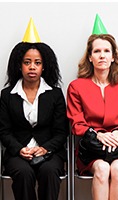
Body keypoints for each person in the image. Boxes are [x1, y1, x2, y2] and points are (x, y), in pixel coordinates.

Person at [67, 14, 118, 200]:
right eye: (97, 51)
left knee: (116, 169)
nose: (102, 56)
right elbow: (77, 124)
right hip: (91, 149)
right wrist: (98, 134)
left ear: (114, 56)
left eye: (107, 51)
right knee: (101, 168)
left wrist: (117, 134)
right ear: (90, 57)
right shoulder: (76, 87)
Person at [0, 18, 68, 200]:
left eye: (37, 63)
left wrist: (45, 148)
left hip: (49, 153)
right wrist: (19, 148)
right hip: (18, 153)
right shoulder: (7, 94)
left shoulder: (54, 94)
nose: (32, 67)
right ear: (19, 65)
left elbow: (61, 132)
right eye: (27, 62)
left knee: (49, 172)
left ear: (44, 66)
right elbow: (4, 131)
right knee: (23, 173)